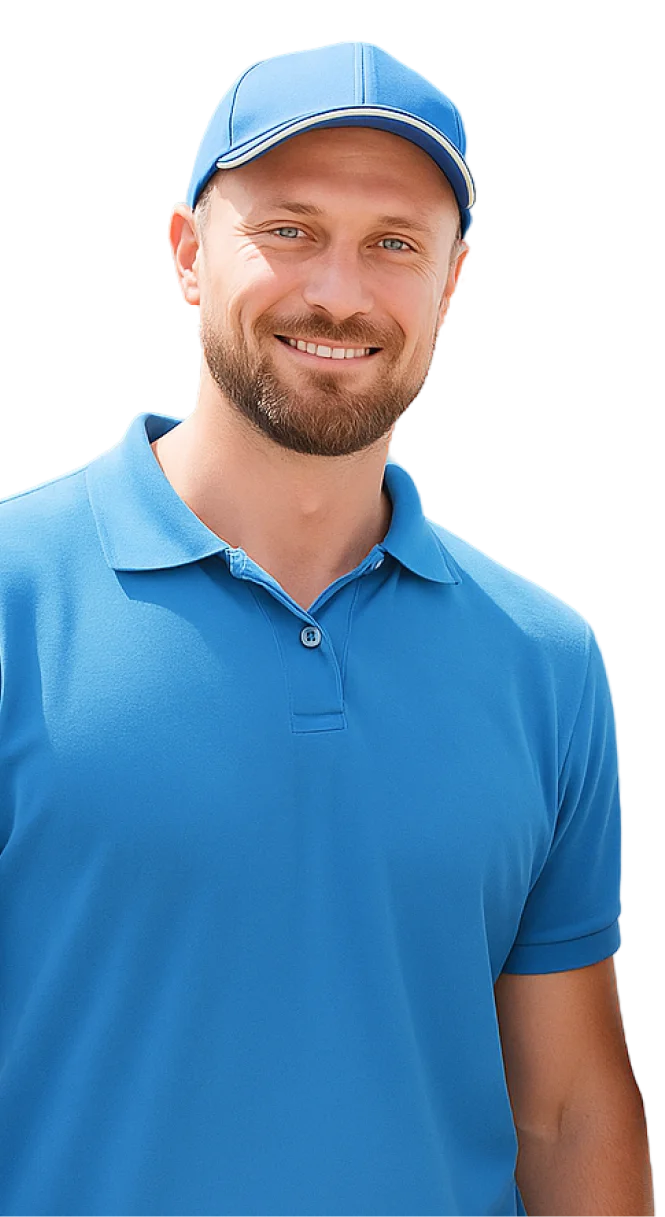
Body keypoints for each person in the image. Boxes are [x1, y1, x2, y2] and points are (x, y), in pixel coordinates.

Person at [1, 42, 646, 1217]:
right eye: (289, 229)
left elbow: (564, 1110)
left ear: (451, 284)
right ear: (185, 253)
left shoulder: (544, 662)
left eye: (392, 243)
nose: (339, 293)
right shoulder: (12, 596)